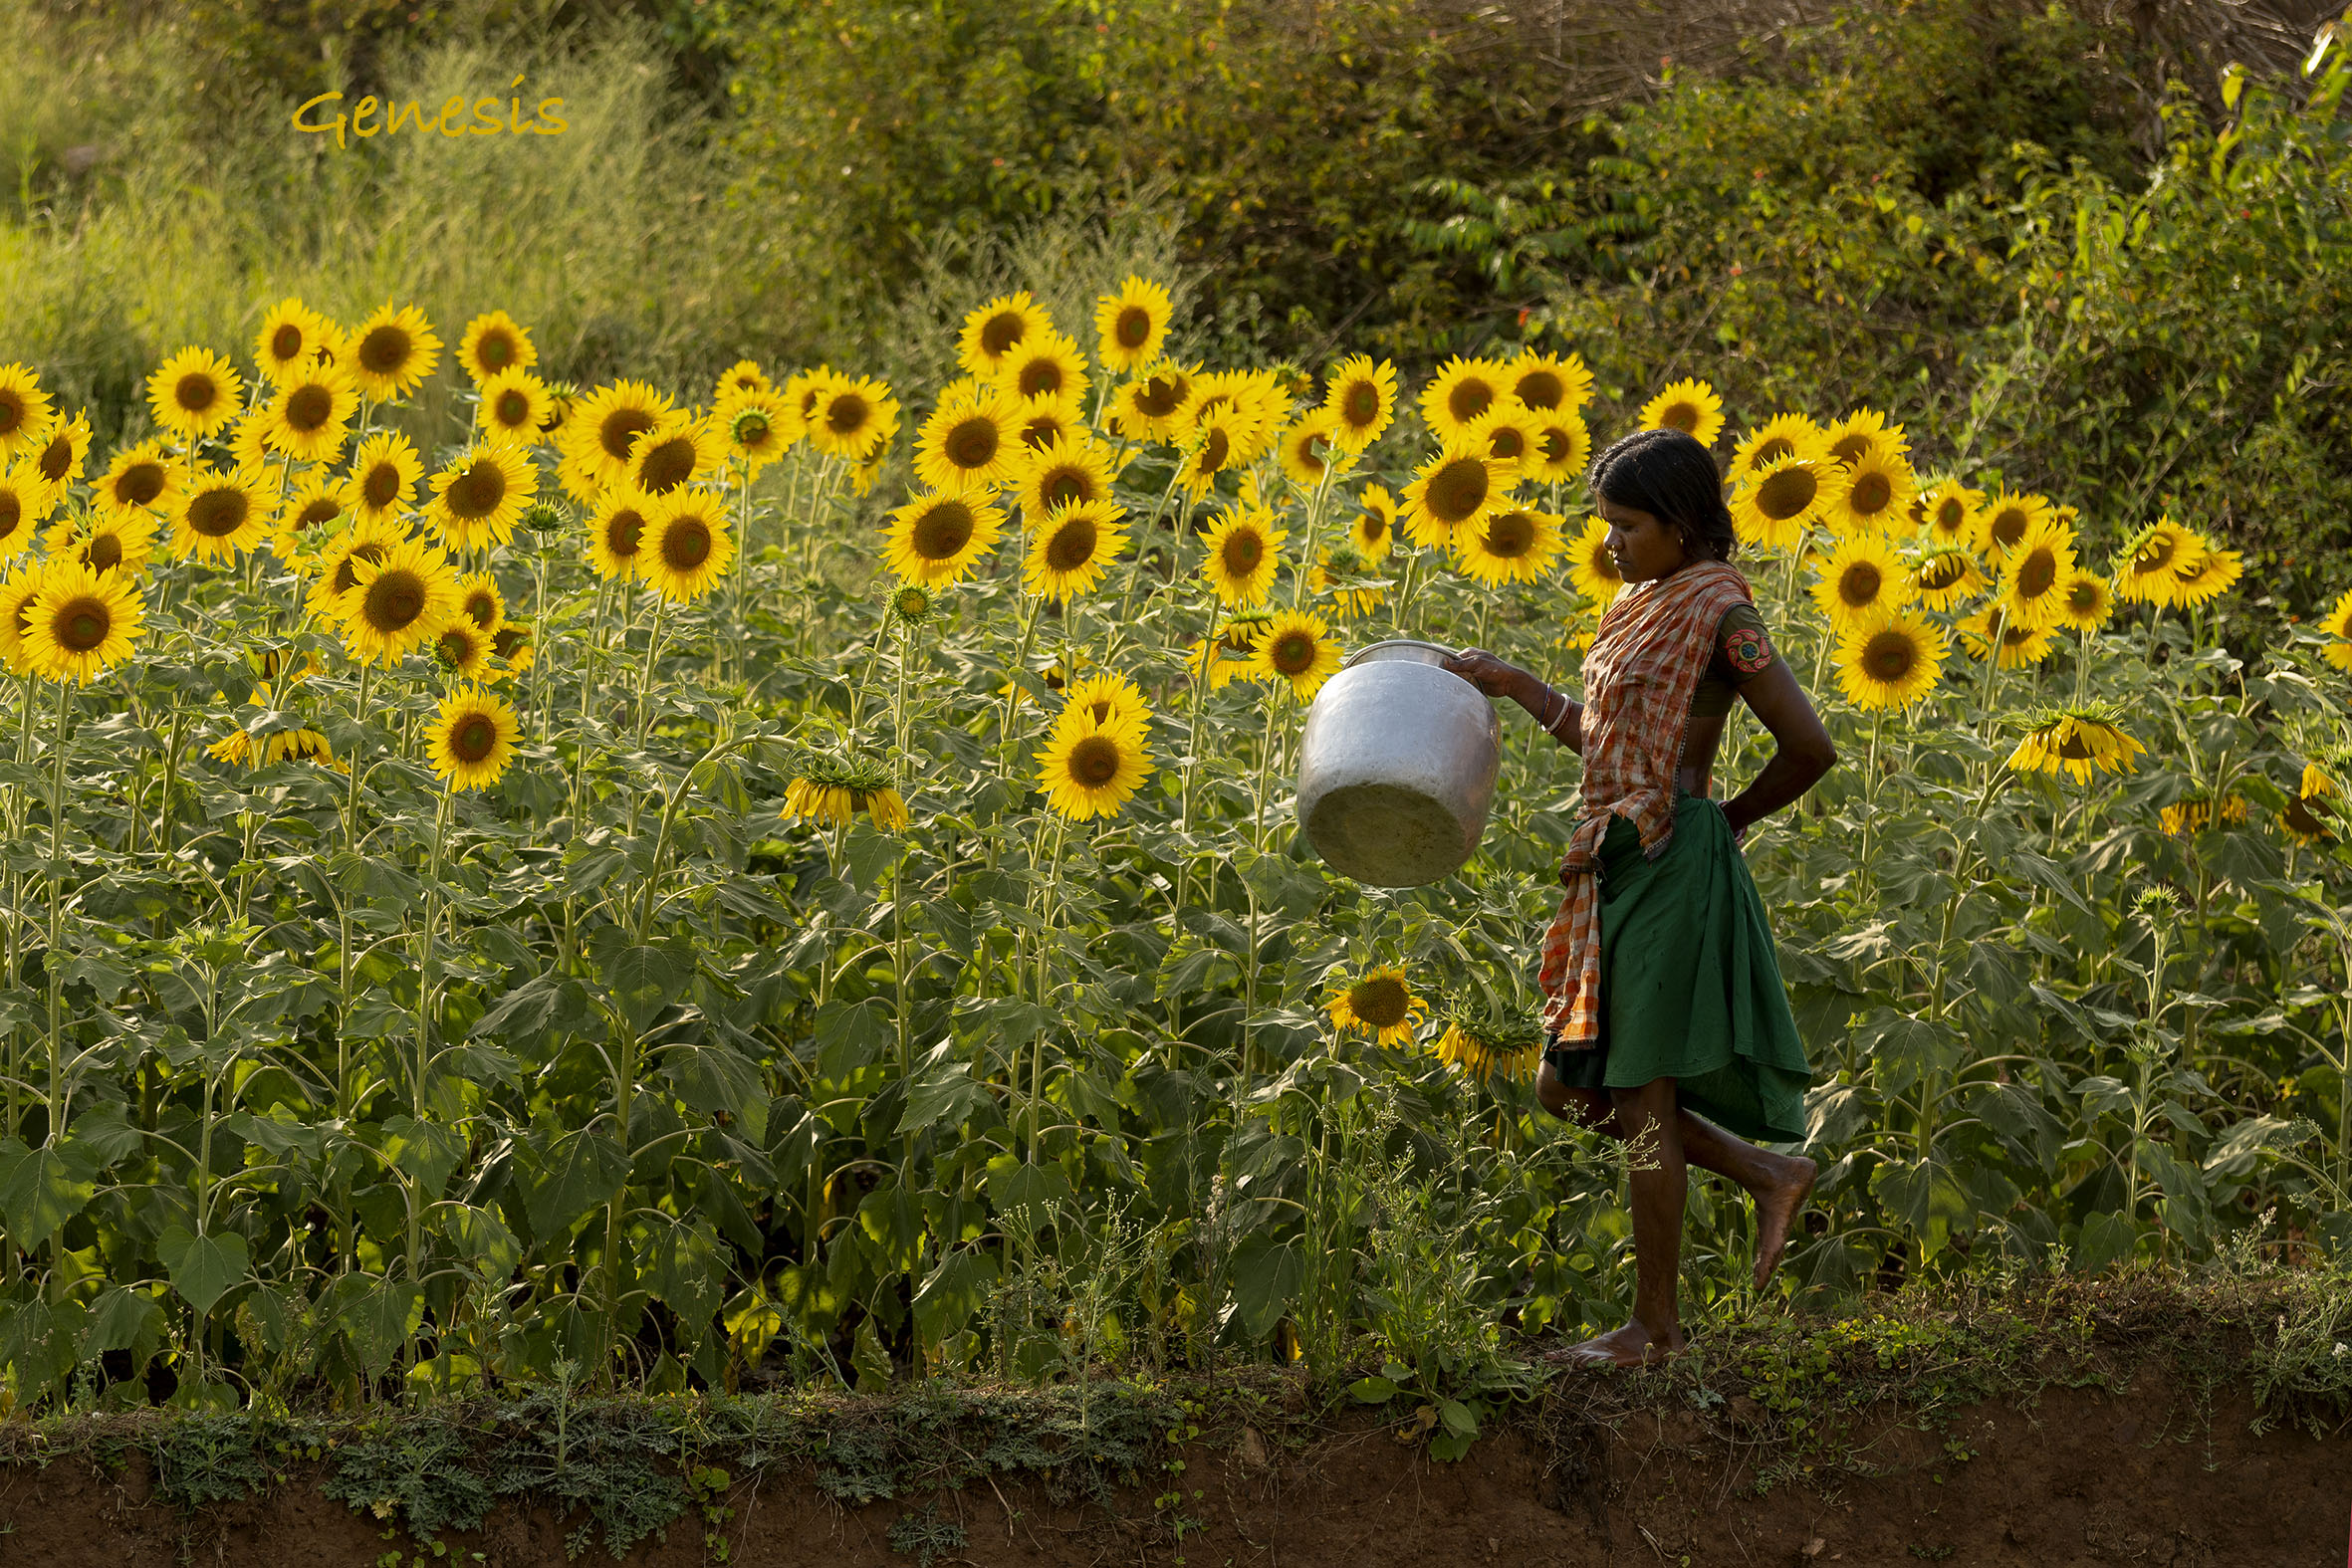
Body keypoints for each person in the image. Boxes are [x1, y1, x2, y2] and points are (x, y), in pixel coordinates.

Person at [1443, 426, 1835, 1369]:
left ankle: (1653, 1329)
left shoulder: (1721, 612)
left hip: (1671, 857)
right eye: (1605, 524)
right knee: (1565, 1088)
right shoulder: (1641, 601)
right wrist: (1516, 684)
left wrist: (1726, 819)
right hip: (1618, 854)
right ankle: (1766, 1171)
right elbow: (1618, 748)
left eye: (1625, 525)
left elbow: (1808, 746)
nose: (1609, 543)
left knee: (1637, 1093)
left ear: (1682, 522)